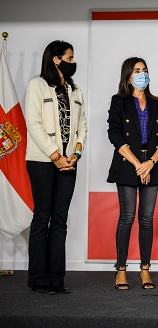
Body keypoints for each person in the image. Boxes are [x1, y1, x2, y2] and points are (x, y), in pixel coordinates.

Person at [25, 40, 87, 294]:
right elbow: (34, 124)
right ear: (56, 59)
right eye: (70, 58)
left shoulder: (75, 89)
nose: (73, 63)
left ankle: (56, 279)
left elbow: (82, 125)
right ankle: (38, 279)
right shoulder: (37, 86)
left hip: (69, 163)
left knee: (60, 221)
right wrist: (55, 155)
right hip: (42, 162)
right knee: (42, 218)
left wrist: (76, 152)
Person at [107, 57, 158, 290]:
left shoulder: (157, 103)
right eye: (137, 70)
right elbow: (114, 135)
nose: (142, 74)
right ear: (128, 76)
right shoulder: (119, 101)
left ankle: (145, 269)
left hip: (152, 164)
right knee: (126, 218)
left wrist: (150, 163)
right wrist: (138, 164)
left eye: (145, 70)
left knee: (146, 220)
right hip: (127, 163)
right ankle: (121, 271)